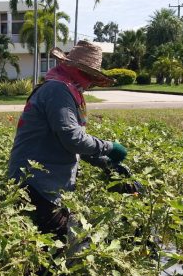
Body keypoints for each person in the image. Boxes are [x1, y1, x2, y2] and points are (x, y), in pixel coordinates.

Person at [8, 40, 129, 241]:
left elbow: (70, 143)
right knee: (52, 245)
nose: (90, 84)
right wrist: (109, 147)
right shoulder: (58, 90)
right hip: (35, 181)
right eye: (90, 77)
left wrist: (104, 163)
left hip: (47, 181)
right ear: (79, 71)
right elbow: (72, 138)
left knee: (51, 242)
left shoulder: (67, 89)